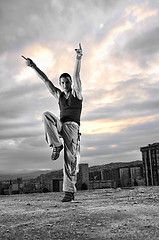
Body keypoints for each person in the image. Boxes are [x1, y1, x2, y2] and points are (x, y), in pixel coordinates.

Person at [24, 43, 83, 202]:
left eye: (67, 82)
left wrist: (78, 58)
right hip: (61, 125)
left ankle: (69, 192)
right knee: (46, 115)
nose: (64, 85)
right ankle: (56, 145)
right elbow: (46, 80)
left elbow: (77, 76)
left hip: (72, 128)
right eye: (62, 82)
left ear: (70, 83)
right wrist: (33, 66)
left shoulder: (76, 93)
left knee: (69, 160)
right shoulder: (59, 95)